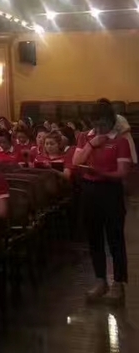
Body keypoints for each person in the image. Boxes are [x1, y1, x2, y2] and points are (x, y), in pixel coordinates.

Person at [72, 112, 132, 303]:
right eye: (96, 124)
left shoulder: (120, 141)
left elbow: (122, 172)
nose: (99, 129)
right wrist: (91, 144)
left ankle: (118, 283)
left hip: (111, 191)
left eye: (103, 125)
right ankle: (100, 280)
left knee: (115, 239)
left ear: (111, 123)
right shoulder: (85, 137)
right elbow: (76, 162)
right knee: (94, 238)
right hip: (90, 191)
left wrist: (102, 173)